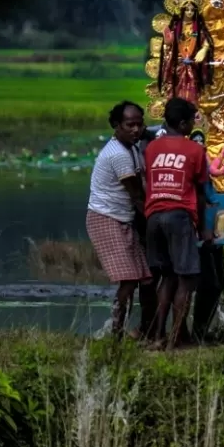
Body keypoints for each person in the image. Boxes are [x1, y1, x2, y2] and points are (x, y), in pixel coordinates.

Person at [143, 96, 209, 347]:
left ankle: (158, 336)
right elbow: (201, 191)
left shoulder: (151, 149)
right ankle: (175, 339)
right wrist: (203, 227)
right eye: (192, 122)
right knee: (185, 279)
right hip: (179, 216)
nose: (193, 127)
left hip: (153, 217)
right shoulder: (195, 150)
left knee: (167, 277)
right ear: (182, 124)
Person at [85, 101, 151, 338]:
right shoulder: (118, 155)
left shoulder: (131, 147)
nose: (135, 129)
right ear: (116, 126)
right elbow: (137, 196)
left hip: (122, 218)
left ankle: (132, 329)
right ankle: (116, 332)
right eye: (129, 125)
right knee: (129, 279)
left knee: (143, 278)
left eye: (139, 124)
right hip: (106, 218)